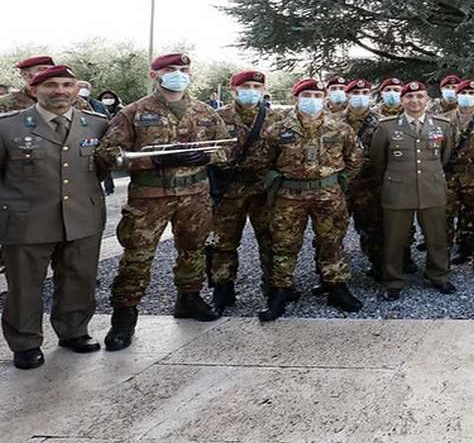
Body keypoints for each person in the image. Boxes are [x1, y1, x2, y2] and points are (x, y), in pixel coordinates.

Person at [98, 53, 231, 351]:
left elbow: (226, 150)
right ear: (154, 74)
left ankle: (189, 298)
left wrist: (207, 156)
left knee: (193, 249)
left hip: (195, 195)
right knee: (138, 256)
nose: (178, 74)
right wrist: (152, 159)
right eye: (170, 69)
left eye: (183, 69)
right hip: (150, 197)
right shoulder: (133, 112)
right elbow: (108, 153)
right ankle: (124, 315)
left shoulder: (205, 112)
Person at [0, 66, 109, 370]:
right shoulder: (8, 126)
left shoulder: (97, 125)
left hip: (82, 216)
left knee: (79, 278)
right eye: (50, 85)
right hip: (26, 219)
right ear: (34, 90)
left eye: (67, 85)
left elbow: (101, 169)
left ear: (77, 90)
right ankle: (25, 343)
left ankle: (74, 331)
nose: (60, 91)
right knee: (24, 285)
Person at [256, 78, 365, 321]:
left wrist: (339, 180)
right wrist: (279, 179)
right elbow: (264, 161)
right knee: (284, 244)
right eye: (307, 96)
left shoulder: (340, 128)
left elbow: (356, 158)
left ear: (324, 99)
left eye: (317, 96)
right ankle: (280, 291)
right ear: (296, 99)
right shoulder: (278, 129)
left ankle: (336, 287)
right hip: (289, 197)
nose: (312, 101)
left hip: (329, 196)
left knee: (332, 242)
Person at [370, 81, 458, 298]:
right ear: (402, 100)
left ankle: (438, 275)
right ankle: (393, 280)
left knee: (437, 236)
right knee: (394, 238)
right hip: (398, 190)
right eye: (409, 97)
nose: (415, 101)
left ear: (427, 100)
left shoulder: (443, 125)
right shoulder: (386, 127)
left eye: (420, 96)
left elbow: (445, 156)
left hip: (432, 188)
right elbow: (378, 161)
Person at [207, 70, 280, 313]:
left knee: (270, 240)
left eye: (257, 87)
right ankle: (222, 290)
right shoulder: (217, 117)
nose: (252, 91)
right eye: (246, 86)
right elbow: (207, 152)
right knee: (224, 243)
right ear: (234, 90)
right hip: (229, 190)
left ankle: (274, 288)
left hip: (263, 189)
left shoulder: (275, 117)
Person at [439, 78, 474, 276]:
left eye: (472, 94)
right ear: (457, 95)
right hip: (449, 177)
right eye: (464, 93)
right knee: (444, 218)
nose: (468, 97)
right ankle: (441, 261)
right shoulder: (443, 120)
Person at [341, 78, 385, 280]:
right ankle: (330, 276)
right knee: (332, 231)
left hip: (372, 186)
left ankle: (379, 267)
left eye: (365, 93)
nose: (360, 97)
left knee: (375, 229)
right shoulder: (334, 121)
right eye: (355, 93)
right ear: (347, 95)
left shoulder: (383, 122)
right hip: (342, 187)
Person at [0, 56, 93, 113]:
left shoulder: (77, 102)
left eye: (52, 70)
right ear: (25, 74)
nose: (49, 73)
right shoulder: (5, 103)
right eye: (42, 69)